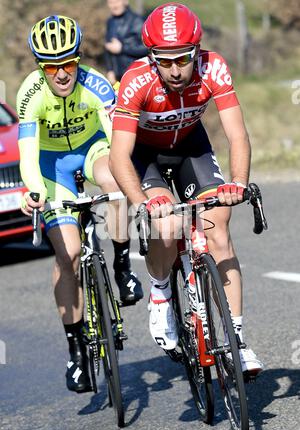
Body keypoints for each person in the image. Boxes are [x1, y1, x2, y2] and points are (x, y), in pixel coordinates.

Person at [109, 3, 263, 376]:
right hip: (146, 155)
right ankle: (161, 291)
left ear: (196, 52)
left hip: (192, 147)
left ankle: (237, 342)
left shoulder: (214, 67)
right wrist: (141, 202)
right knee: (166, 225)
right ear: (151, 57)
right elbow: (118, 157)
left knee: (219, 229)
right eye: (165, 61)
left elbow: (237, 134)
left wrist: (238, 183)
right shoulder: (136, 80)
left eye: (183, 59)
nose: (176, 71)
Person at [17, 15, 143, 393]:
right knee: (69, 255)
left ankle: (122, 268)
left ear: (77, 58)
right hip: (51, 167)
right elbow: (27, 154)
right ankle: (76, 353)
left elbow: (116, 136)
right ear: (42, 67)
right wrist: (34, 190)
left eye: (68, 63)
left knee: (115, 179)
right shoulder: (30, 93)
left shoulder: (96, 84)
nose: (61, 73)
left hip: (92, 150)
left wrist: (128, 175)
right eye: (51, 66)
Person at [104, 0, 147, 85]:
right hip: (117, 78)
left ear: (126, 2)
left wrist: (122, 48)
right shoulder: (110, 22)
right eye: (111, 3)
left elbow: (147, 48)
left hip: (137, 76)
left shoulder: (138, 21)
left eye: (117, 2)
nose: (114, 6)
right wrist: (110, 70)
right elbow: (108, 47)